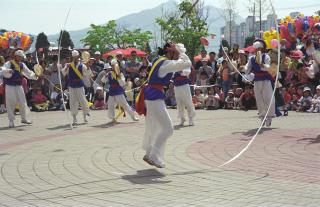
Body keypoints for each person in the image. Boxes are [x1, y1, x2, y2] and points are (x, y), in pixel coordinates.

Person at [136, 43, 192, 168]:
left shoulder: (159, 60)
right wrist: (181, 53)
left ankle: (149, 153)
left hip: (152, 96)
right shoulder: (166, 63)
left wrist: (177, 51)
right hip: (154, 97)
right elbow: (188, 63)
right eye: (176, 53)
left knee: (154, 127)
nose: (178, 55)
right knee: (168, 129)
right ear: (169, 52)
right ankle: (154, 155)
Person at [2, 50, 38, 127]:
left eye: (21, 57)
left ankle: (24, 118)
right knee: (10, 102)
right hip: (10, 85)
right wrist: (7, 71)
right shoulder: (9, 63)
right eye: (20, 57)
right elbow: (2, 70)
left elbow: (28, 73)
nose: (21, 58)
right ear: (16, 56)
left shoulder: (22, 65)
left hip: (19, 85)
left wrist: (36, 75)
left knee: (23, 101)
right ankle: (11, 121)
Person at [245, 39, 275, 126]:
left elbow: (268, 67)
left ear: (262, 49)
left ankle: (269, 117)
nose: (257, 50)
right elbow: (247, 69)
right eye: (256, 49)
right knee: (259, 99)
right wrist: (243, 68)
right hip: (257, 80)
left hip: (266, 79)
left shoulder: (266, 56)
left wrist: (263, 65)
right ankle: (262, 117)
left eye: (259, 48)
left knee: (268, 98)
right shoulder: (251, 58)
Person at [62, 50, 91, 125]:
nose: (75, 58)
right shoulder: (68, 65)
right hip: (71, 85)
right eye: (73, 57)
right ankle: (74, 118)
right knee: (73, 102)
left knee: (83, 100)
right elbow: (63, 73)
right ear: (72, 57)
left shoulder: (82, 65)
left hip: (80, 85)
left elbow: (87, 74)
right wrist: (66, 68)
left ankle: (85, 116)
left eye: (76, 57)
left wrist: (88, 67)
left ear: (78, 57)